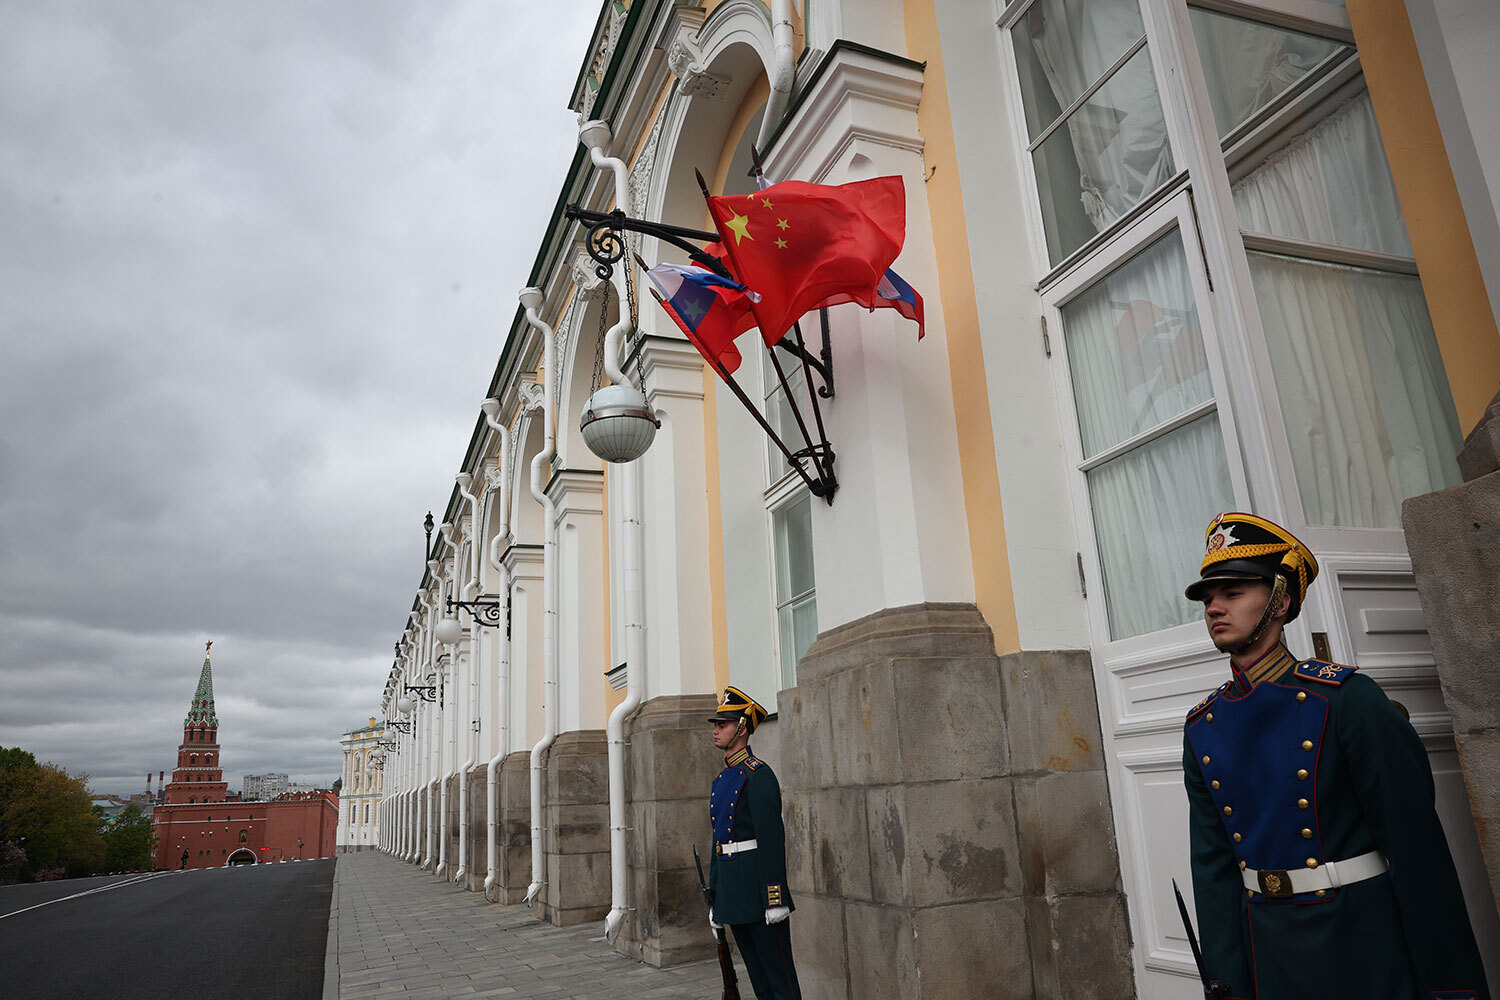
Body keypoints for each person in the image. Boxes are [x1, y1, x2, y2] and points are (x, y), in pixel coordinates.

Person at [1181, 511, 1491, 999]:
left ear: (1280, 602)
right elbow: (1214, 871)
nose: (1214, 608)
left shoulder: (1348, 700)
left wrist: (1448, 986)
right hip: (1270, 955)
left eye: (1233, 593)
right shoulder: (1203, 726)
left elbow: (1418, 853)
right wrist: (1226, 982)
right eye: (1208, 598)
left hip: (1361, 943)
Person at [707, 685, 801, 1000]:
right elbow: (718, 843)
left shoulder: (759, 776)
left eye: (724, 724)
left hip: (758, 894)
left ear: (742, 729)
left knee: (780, 981)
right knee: (759, 983)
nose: (716, 730)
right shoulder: (721, 781)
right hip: (733, 894)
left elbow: (772, 840)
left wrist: (775, 898)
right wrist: (715, 896)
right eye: (717, 725)